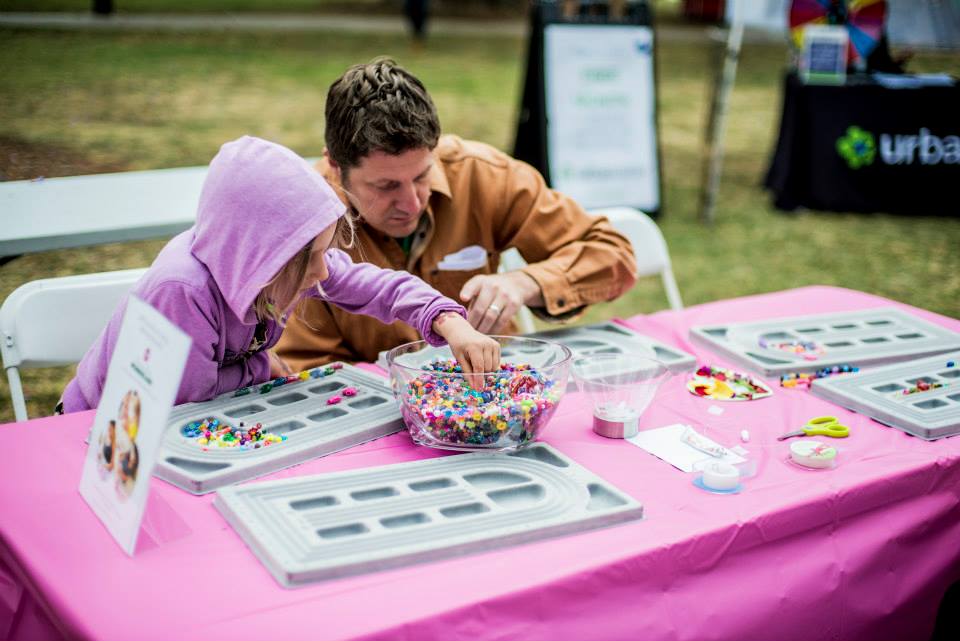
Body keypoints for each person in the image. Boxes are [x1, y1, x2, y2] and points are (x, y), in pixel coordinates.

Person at [60, 135, 499, 412]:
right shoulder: (183, 291)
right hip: (97, 434)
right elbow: (191, 399)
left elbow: (377, 286)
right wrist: (262, 363)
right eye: (312, 259)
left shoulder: (285, 264)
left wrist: (446, 319)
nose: (323, 270)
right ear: (263, 257)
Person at [274, 58, 638, 371]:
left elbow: (613, 255)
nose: (412, 203)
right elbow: (306, 370)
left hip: (493, 390)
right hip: (371, 416)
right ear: (335, 166)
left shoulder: (481, 175)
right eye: (386, 187)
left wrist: (523, 283)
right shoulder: (303, 225)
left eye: (421, 177)